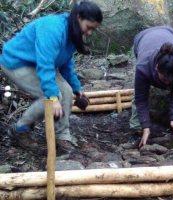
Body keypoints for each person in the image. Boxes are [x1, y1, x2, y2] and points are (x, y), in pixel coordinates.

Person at [0, 1, 103, 152]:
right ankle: (20, 128)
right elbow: (45, 64)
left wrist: (77, 89)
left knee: (66, 92)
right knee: (49, 97)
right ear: (79, 17)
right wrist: (53, 98)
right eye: (89, 28)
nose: (89, 33)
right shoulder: (53, 28)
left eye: (93, 30)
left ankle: (62, 137)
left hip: (36, 64)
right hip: (16, 62)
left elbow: (66, 64)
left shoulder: (73, 31)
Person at [130, 26, 173, 148]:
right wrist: (146, 127)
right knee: (137, 95)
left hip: (171, 34)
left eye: (170, 80)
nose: (167, 84)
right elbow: (140, 99)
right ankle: (138, 130)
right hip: (142, 39)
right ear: (156, 68)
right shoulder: (143, 66)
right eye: (164, 80)